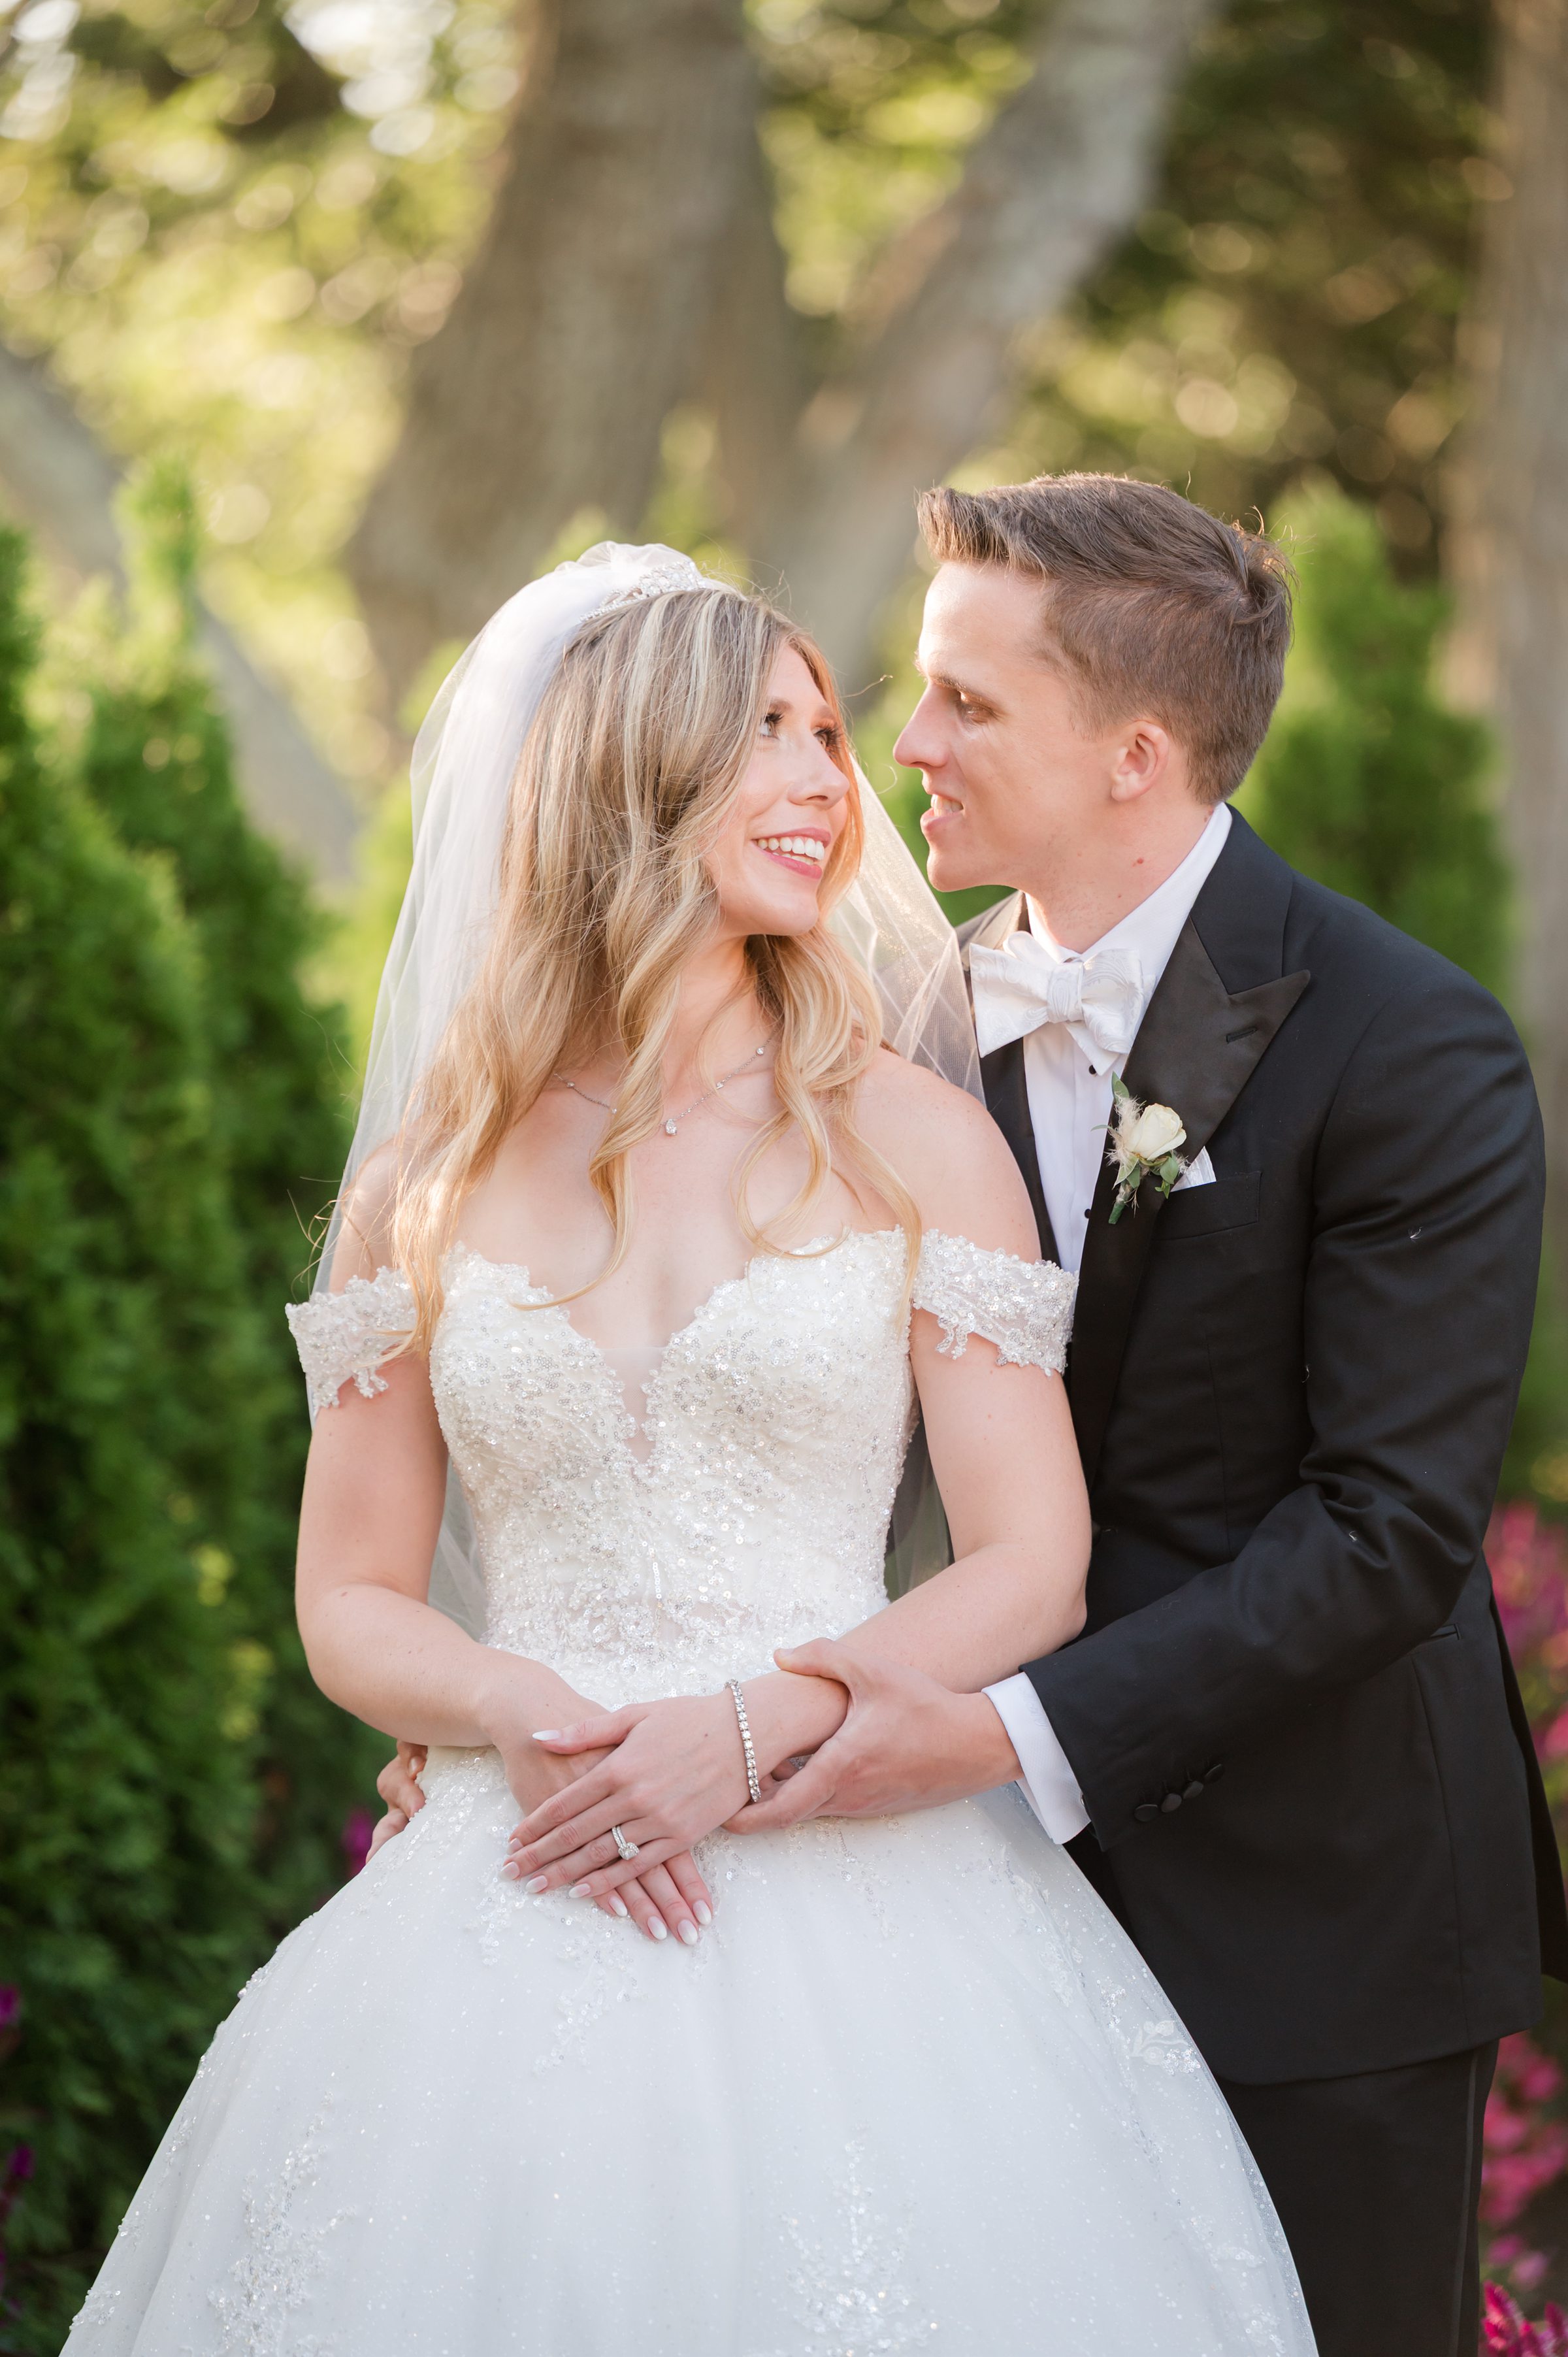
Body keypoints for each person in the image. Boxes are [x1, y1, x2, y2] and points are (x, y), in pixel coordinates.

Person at [62, 542, 1315, 2355]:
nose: (835, 785)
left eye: (831, 732)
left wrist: (753, 1728)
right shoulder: (419, 1182)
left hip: (852, 1861)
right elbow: (347, 1593)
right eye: (775, 737)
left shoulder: (912, 1136)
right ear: (627, 774)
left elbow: (1031, 1562)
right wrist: (508, 1712)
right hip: (520, 1856)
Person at [451, 476, 1556, 2357]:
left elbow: (1384, 1537)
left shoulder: (1408, 1044)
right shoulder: (904, 1031)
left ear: (1135, 753)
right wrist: (526, 1695)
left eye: (967, 699)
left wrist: (986, 1740)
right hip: (957, 1922)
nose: (903, 747)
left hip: (1311, 1908)